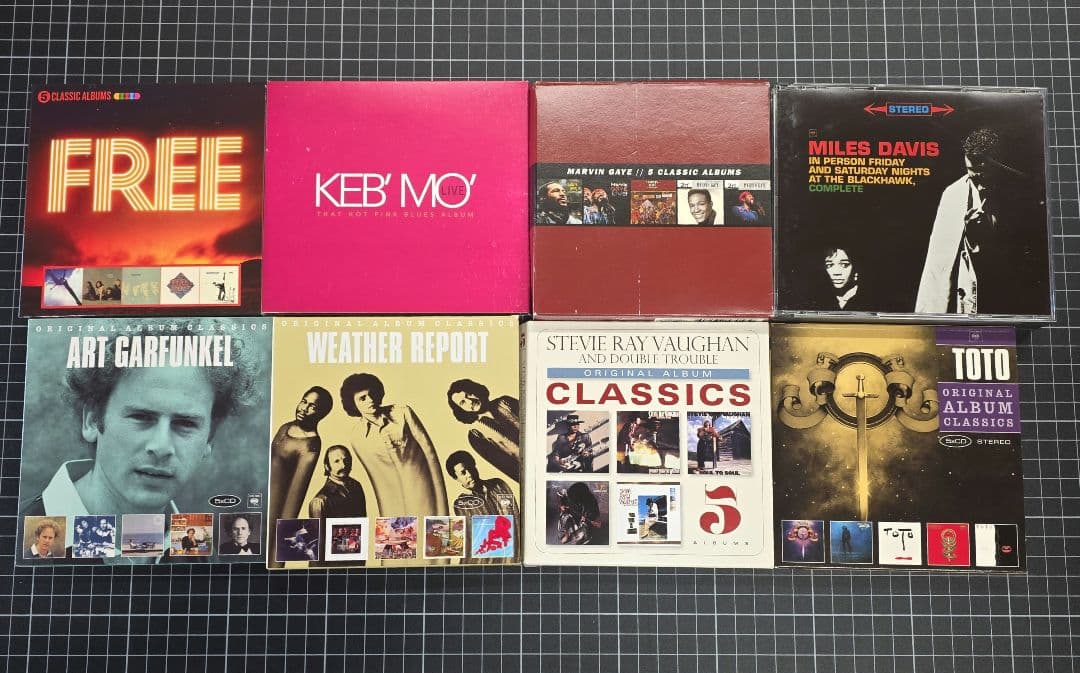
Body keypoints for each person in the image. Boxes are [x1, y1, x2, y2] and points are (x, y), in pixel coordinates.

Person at [19, 322, 260, 524]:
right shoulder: (13, 535)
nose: (161, 447)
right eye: (141, 417)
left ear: (209, 438)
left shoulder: (195, 550)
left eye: (185, 423)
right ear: (92, 420)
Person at [916, 127, 1043, 314]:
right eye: (971, 172)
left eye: (984, 173)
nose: (979, 182)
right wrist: (971, 239)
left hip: (1005, 291)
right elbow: (938, 265)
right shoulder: (952, 194)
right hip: (965, 289)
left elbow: (1022, 252)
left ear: (996, 163)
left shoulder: (1019, 192)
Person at [341, 373, 448, 519]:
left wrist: (442, 509)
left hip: (422, 490)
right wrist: (387, 517)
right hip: (393, 502)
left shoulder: (402, 412)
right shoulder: (357, 437)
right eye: (362, 398)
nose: (370, 400)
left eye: (371, 394)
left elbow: (430, 455)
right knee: (399, 533)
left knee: (435, 533)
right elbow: (377, 479)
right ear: (353, 404)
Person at [269, 387, 333, 559]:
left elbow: (294, 498)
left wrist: (277, 561)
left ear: (321, 414)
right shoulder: (285, 427)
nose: (304, 408)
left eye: (312, 406)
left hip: (276, 514)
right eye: (304, 401)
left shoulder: (311, 445)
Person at [446, 379, 519, 481]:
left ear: (475, 390)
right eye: (463, 402)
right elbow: (508, 468)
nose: (470, 401)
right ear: (461, 410)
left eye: (469, 394)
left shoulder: (506, 402)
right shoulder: (475, 436)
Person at [444, 450, 519, 518]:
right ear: (456, 478)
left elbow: (515, 517)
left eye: (471, 468)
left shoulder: (499, 485)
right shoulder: (460, 504)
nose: (469, 474)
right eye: (463, 473)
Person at [308, 445, 367, 520]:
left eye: (346, 460)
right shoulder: (319, 501)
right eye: (337, 461)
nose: (343, 466)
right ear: (327, 466)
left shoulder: (356, 486)